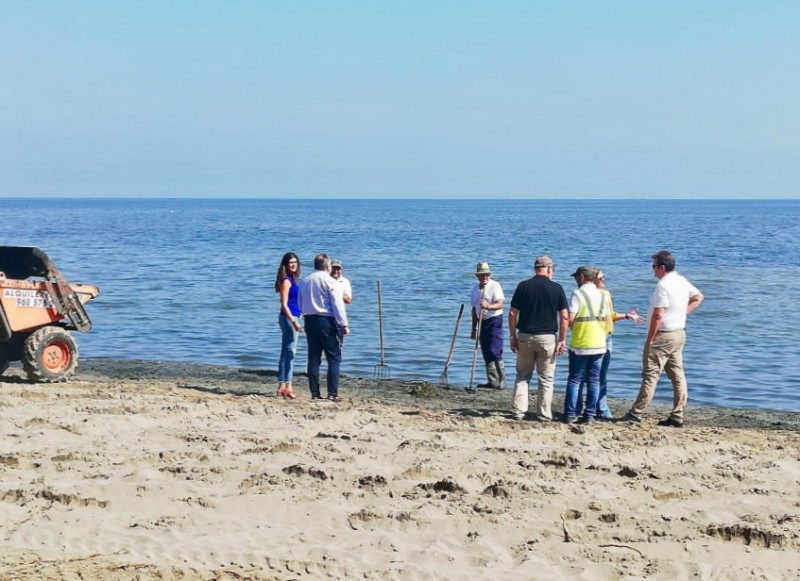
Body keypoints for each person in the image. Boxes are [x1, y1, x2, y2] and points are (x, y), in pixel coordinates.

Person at [622, 250, 704, 427]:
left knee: (650, 375)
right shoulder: (681, 280)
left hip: (663, 335)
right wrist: (683, 313)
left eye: (654, 267)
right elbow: (698, 297)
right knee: (677, 375)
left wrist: (651, 338)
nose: (652, 270)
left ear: (662, 267)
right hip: (678, 333)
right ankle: (677, 414)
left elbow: (658, 315)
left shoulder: (663, 286)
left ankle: (636, 413)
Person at [576, 269, 644, 419]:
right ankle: (581, 408)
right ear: (593, 279)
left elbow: (610, 316)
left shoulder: (606, 294)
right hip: (591, 338)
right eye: (601, 278)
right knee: (583, 376)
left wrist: (627, 316)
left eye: (604, 278)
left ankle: (601, 408)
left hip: (606, 338)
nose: (603, 280)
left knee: (600, 376)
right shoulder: (584, 294)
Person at [508, 256, 569, 421]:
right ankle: (543, 414)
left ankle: (519, 411)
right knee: (546, 378)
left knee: (522, 375)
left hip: (525, 335)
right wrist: (562, 339)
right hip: (547, 337)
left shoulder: (523, 286)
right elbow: (564, 317)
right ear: (549, 269)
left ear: (536, 269)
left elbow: (513, 312)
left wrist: (512, 335)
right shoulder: (557, 288)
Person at [563, 266, 611, 424]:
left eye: (576, 277)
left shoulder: (577, 294)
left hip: (581, 342)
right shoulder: (602, 295)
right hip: (599, 342)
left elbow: (570, 319)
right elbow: (605, 318)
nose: (576, 280)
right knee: (594, 380)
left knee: (575, 380)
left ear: (582, 277)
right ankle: (589, 415)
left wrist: (568, 328)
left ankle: (570, 414)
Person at [298, 254, 350, 402]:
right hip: (327, 320)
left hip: (310, 320)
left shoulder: (305, 281)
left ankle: (314, 392)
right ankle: (332, 393)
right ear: (327, 266)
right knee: (334, 357)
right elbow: (337, 305)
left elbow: (300, 303)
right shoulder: (331, 281)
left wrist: (302, 316)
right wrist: (344, 324)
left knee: (314, 357)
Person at [470, 261, 506, 389]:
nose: (485, 277)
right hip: (482, 321)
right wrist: (474, 328)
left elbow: (500, 304)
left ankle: (502, 381)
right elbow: (474, 310)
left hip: (494, 320)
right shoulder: (474, 289)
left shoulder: (495, 286)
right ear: (477, 276)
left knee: (495, 349)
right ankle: (492, 380)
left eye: (487, 275)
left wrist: (488, 306)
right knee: (485, 350)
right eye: (482, 275)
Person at [274, 252, 303, 399]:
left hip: (291, 317)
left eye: (295, 262)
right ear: (285, 265)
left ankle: (282, 386)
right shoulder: (286, 281)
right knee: (291, 353)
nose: (293, 265)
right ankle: (287, 386)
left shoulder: (293, 279)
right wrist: (294, 321)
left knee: (286, 352)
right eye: (290, 262)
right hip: (288, 318)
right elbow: (284, 304)